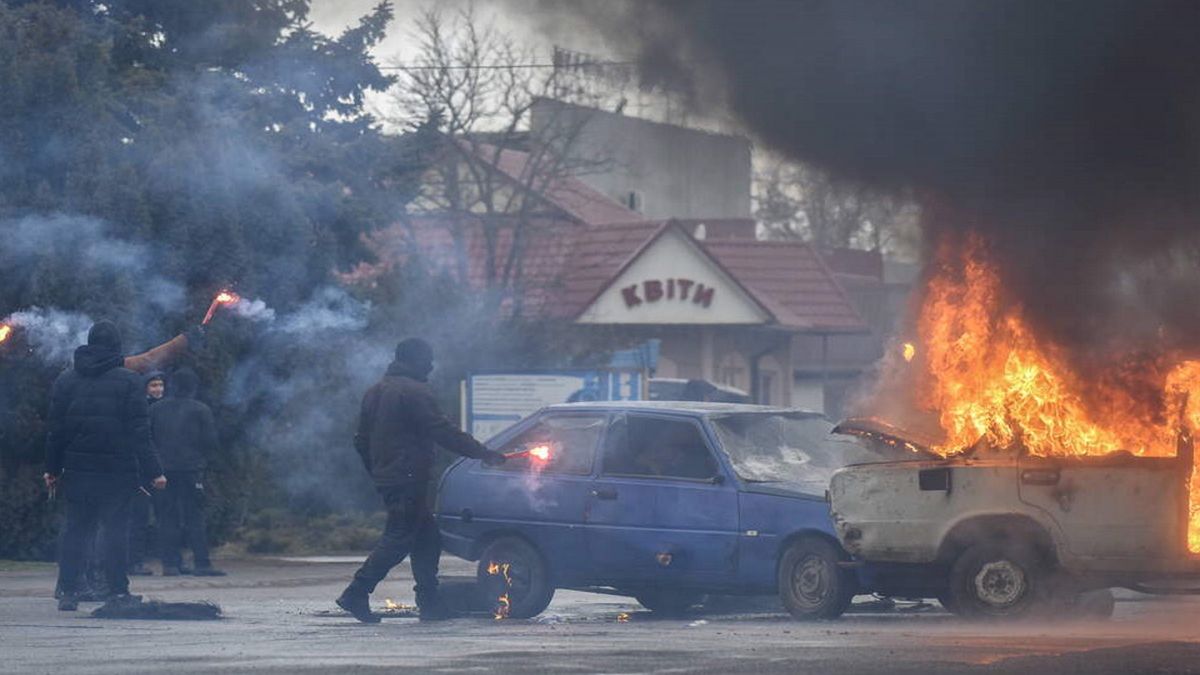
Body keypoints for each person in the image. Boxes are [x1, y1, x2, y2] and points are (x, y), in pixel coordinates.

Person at [336, 337, 508, 623]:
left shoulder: (375, 391)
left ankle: (430, 602)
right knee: (400, 535)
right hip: (408, 477)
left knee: (427, 539)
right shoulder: (415, 392)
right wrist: (483, 453)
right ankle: (357, 591)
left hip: (393, 476)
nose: (431, 364)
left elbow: (360, 440)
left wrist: (378, 471)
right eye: (427, 359)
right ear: (414, 360)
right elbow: (442, 431)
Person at [44, 321, 167, 611]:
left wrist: (51, 468)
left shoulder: (66, 380)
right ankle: (117, 591)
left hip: (76, 471)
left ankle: (68, 591)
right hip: (117, 472)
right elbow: (140, 432)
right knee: (115, 532)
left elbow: (56, 431)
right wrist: (154, 472)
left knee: (75, 530)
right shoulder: (129, 382)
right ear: (116, 346)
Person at [151, 368, 225, 577]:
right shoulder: (200, 410)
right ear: (193, 387)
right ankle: (202, 563)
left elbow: (147, 439)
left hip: (162, 471)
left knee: (167, 516)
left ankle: (170, 564)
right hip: (192, 471)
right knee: (195, 516)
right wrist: (207, 464)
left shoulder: (156, 409)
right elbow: (211, 442)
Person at [128, 371, 166, 576]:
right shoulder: (142, 409)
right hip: (142, 473)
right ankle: (134, 561)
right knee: (138, 518)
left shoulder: (161, 408)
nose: (158, 389)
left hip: (155, 470)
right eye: (154, 386)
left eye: (160, 385)